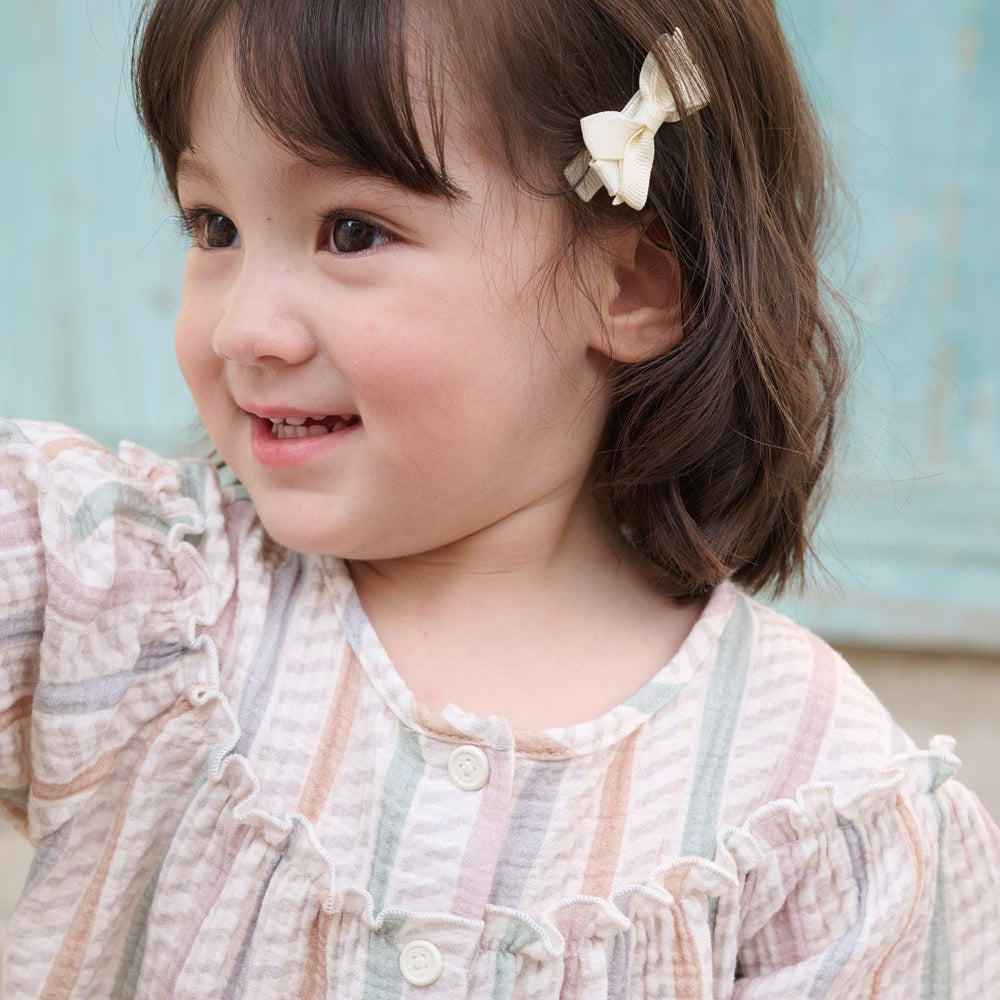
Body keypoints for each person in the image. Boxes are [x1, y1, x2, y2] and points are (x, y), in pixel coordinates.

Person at [1, 0, 997, 995]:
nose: (245, 329)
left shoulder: (814, 797)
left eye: (352, 231)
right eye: (213, 225)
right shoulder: (125, 596)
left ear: (633, 285)